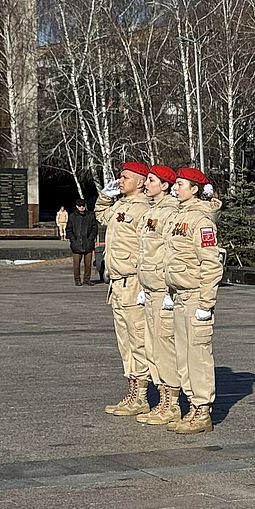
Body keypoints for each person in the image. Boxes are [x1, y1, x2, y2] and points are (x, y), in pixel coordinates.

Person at [164, 167, 223, 434]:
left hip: (194, 297)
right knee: (183, 356)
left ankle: (202, 411)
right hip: (179, 296)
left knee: (197, 356)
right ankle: (191, 407)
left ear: (194, 189)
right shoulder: (179, 217)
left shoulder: (202, 222)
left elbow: (211, 264)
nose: (175, 188)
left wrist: (205, 303)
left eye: (180, 184)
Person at [96, 162, 153, 415]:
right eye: (120, 175)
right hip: (117, 283)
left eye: (126, 176)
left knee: (138, 340)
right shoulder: (120, 204)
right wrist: (104, 197)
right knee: (125, 343)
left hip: (133, 282)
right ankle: (131, 392)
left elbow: (148, 248)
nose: (121, 180)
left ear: (141, 182)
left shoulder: (144, 209)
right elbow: (101, 216)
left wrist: (145, 282)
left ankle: (141, 395)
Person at [133, 164, 182, 426]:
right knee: (152, 347)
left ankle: (171, 402)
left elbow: (170, 252)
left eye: (151, 180)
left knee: (164, 348)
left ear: (165, 185)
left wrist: (168, 289)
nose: (146, 184)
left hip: (163, 289)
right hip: (150, 288)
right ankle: (162, 399)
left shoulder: (169, 213)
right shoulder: (152, 211)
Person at [66, 199, 98, 286]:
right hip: (76, 244)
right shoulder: (72, 216)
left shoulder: (90, 216)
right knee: (76, 264)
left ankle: (87, 279)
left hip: (88, 243)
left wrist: (91, 238)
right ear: (76, 206)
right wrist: (73, 240)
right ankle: (77, 279)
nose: (82, 207)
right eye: (80, 206)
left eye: (83, 206)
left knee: (88, 264)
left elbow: (94, 228)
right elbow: (69, 229)